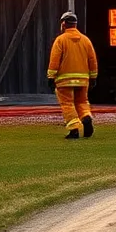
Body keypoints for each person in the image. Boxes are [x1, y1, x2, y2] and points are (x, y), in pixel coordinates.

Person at [47, 11, 99, 139]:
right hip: (83, 80)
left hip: (65, 81)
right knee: (82, 102)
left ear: (63, 24)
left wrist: (50, 77)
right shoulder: (86, 40)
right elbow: (92, 60)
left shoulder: (60, 40)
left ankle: (74, 130)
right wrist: (93, 77)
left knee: (67, 104)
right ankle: (86, 117)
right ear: (75, 24)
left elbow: (55, 60)